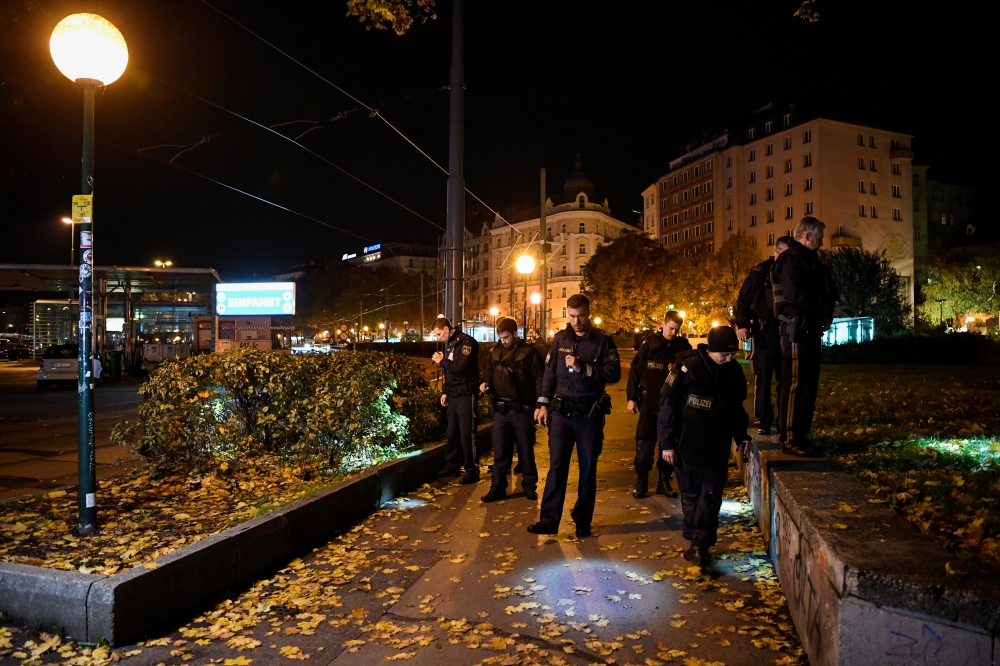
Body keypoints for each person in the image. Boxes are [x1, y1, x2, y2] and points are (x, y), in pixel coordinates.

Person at [657, 326, 752, 567]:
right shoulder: (686, 368)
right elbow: (667, 406)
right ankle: (694, 539)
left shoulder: (733, 374)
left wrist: (743, 436)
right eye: (725, 355)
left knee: (710, 497)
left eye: (733, 354)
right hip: (685, 445)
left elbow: (736, 410)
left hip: (716, 447)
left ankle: (700, 545)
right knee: (690, 497)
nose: (729, 359)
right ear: (711, 350)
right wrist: (667, 443)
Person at [529, 294, 621, 538]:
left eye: (580, 316)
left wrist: (585, 368)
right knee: (557, 467)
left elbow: (614, 374)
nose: (576, 321)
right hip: (561, 414)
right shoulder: (560, 339)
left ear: (588, 313)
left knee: (587, 469)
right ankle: (549, 520)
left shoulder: (602, 341)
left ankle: (583, 520)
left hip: (588, 415)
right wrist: (542, 404)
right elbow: (549, 374)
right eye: (571, 315)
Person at [771, 217, 841, 456]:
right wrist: (828, 309)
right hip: (796, 331)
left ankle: (799, 435)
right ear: (807, 235)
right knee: (796, 384)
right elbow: (794, 296)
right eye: (819, 238)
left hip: (807, 329)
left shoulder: (807, 260)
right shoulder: (792, 260)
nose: (821, 243)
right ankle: (791, 437)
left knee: (807, 385)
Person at [626, 310, 691, 498]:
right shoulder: (649, 345)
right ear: (663, 324)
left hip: (673, 403)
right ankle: (642, 480)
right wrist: (631, 398)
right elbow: (635, 371)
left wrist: (679, 367)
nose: (673, 333)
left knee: (668, 443)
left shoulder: (682, 346)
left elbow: (691, 370)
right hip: (649, 401)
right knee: (644, 443)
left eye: (677, 330)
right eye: (671, 328)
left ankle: (664, 480)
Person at [479, 317, 544, 502]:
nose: (503, 341)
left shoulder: (529, 353)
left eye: (506, 337)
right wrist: (486, 384)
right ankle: (497, 488)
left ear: (516, 334)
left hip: (521, 409)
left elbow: (540, 379)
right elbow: (488, 375)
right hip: (501, 410)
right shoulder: (495, 353)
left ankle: (529, 486)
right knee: (500, 451)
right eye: (501, 337)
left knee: (525, 449)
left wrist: (540, 405)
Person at [735, 236, 791, 435]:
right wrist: (742, 324)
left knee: (785, 377)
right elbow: (742, 299)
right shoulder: (760, 271)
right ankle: (763, 420)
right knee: (764, 376)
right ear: (777, 252)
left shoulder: (791, 271)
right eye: (785, 253)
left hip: (785, 330)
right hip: (764, 330)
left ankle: (784, 420)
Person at [430, 317, 481, 483]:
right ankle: (452, 466)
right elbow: (450, 373)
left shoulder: (467, 343)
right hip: (454, 395)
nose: (438, 338)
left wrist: (441, 360)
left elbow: (461, 368)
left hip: (466, 394)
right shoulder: (451, 344)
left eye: (438, 334)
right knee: (451, 432)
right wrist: (445, 391)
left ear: (446, 329)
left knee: (467, 433)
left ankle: (472, 470)